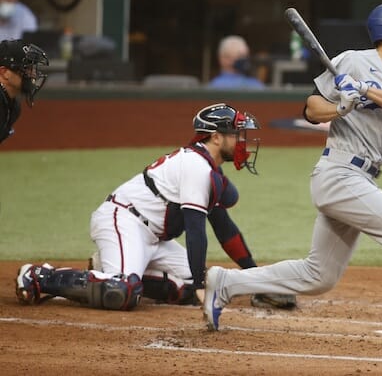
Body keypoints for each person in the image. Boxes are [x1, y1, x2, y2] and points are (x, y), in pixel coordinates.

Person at [203, 0, 382, 353]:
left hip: (362, 179)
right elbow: (311, 109)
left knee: (319, 276)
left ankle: (226, 283)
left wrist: (363, 90)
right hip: (337, 173)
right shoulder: (351, 60)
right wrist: (340, 106)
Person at [15, 103, 296, 311]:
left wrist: (254, 277)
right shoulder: (195, 168)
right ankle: (40, 277)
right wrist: (201, 287)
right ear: (216, 137)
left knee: (194, 285)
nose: (242, 141)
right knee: (121, 290)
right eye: (236, 134)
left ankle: (108, 266)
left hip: (153, 238)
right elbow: (196, 232)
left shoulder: (209, 170)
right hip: (124, 220)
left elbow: (225, 229)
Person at [0, 39, 49, 144]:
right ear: (4, 72)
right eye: (26, 69)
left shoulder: (13, 106)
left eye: (33, 69)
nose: (33, 74)